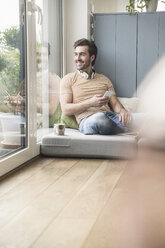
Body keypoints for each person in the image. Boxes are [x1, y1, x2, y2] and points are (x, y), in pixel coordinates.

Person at [60, 38, 132, 135]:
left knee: (147, 118)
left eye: (82, 54)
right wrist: (90, 103)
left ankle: (122, 127)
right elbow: (65, 109)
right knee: (101, 120)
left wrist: (123, 111)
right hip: (88, 120)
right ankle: (128, 128)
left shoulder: (105, 80)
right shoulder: (68, 79)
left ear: (92, 57)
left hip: (110, 116)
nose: (77, 58)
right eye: (76, 54)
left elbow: (115, 104)